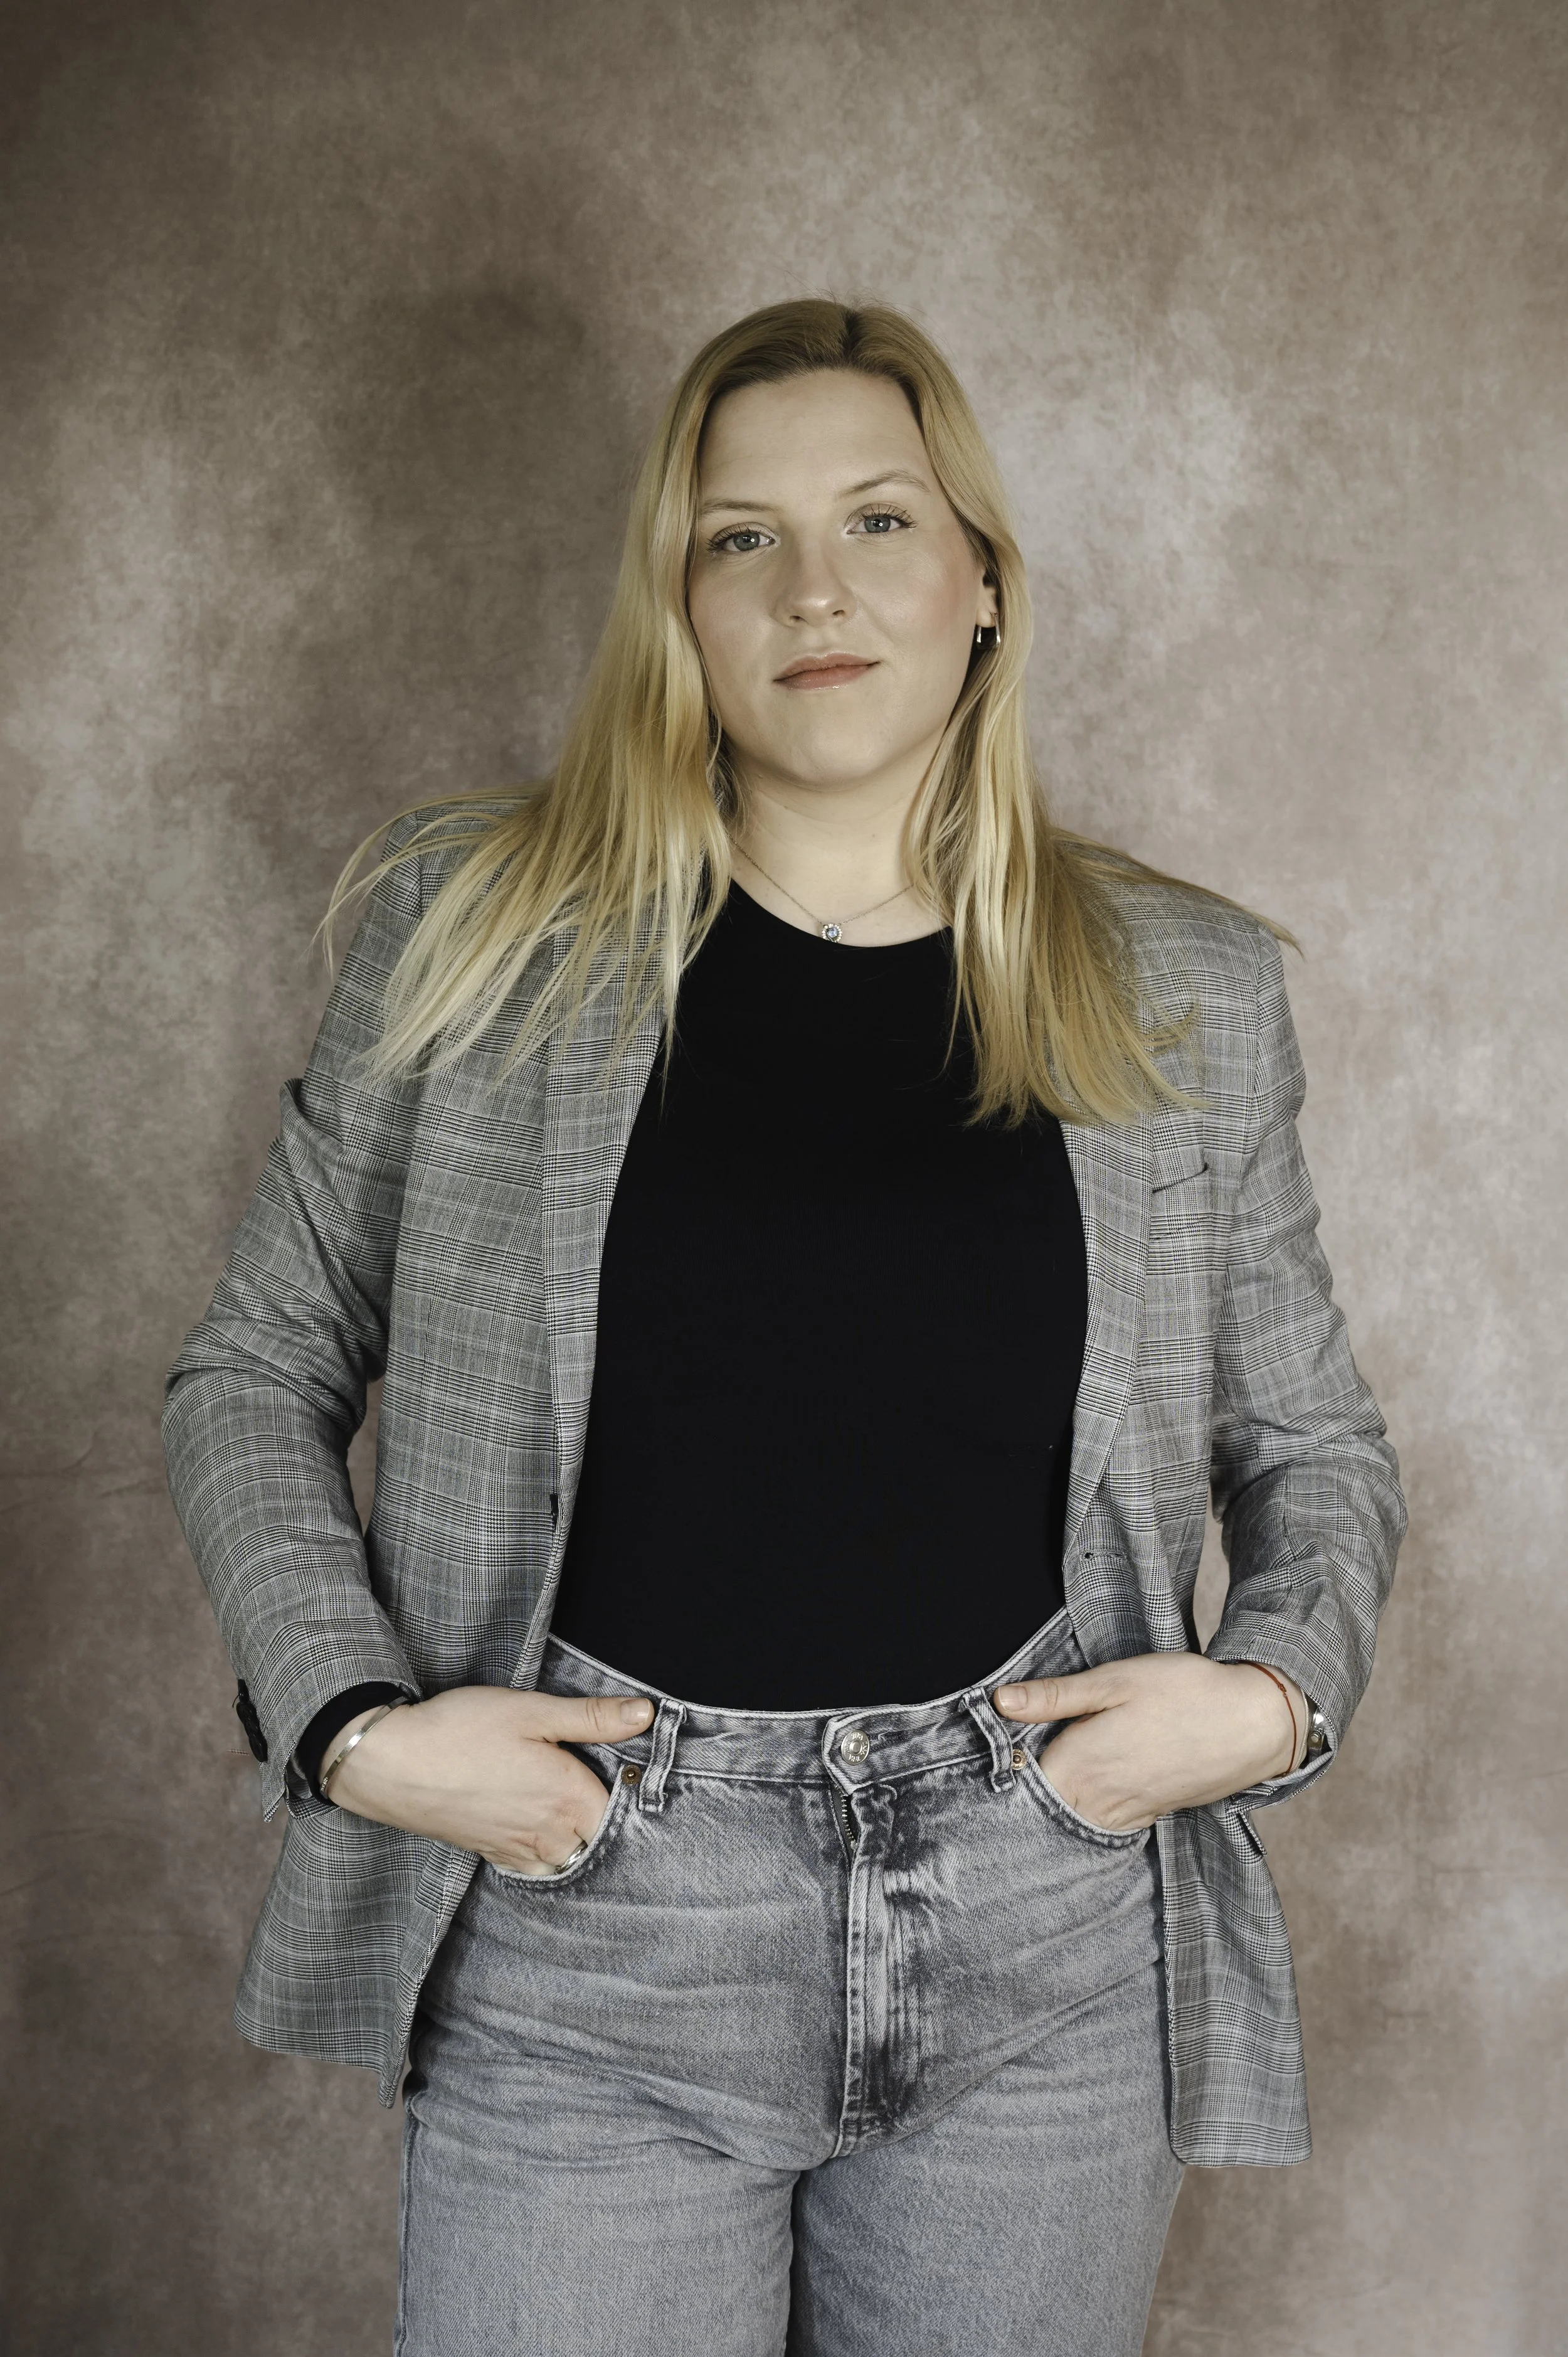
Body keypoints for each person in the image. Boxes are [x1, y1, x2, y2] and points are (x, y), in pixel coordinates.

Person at [164, 299, 1406, 2356]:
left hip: (1045, 1937)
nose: (814, 588)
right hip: (587, 1936)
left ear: (982, 579)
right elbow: (252, 1373)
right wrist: (357, 1731)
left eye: (880, 520)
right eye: (739, 537)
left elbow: (1315, 1450)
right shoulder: (466, 930)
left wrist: (1270, 1704)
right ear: (678, 602)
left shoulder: (1182, 989)